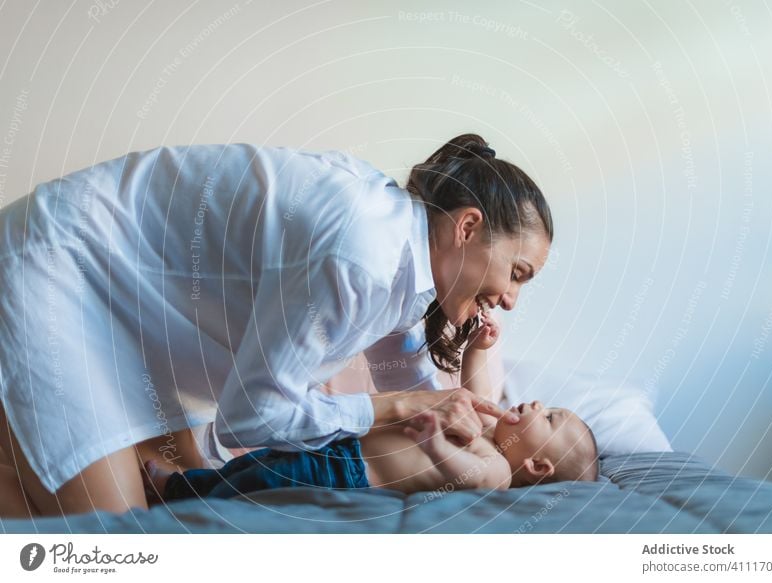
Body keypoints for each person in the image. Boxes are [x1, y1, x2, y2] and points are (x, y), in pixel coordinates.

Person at [0, 133, 552, 517]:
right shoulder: (363, 257)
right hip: (63, 265)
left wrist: (473, 404)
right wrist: (391, 408)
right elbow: (247, 420)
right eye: (517, 273)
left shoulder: (409, 269)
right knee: (116, 539)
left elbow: (429, 397)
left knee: (180, 504)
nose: (511, 300)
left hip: (130, 309)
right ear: (467, 226)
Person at [142, 312, 598, 502]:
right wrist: (479, 347)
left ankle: (180, 493)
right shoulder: (487, 430)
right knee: (262, 463)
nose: (539, 403)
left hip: (352, 474)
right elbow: (478, 393)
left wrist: (436, 444)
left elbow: (467, 476)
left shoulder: (496, 470)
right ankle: (184, 483)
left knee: (262, 481)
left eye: (551, 416)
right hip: (341, 444)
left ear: (537, 466)